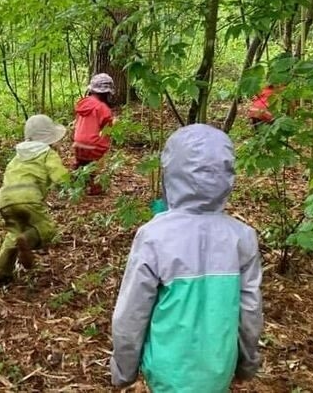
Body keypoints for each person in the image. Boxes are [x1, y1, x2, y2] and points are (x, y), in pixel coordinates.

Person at [110, 124, 263, 392]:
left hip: (167, 374)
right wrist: (247, 364)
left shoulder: (154, 236)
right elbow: (250, 312)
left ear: (172, 173)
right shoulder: (241, 236)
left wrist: (124, 371)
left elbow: (131, 314)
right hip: (219, 372)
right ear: (226, 175)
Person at [0, 114, 69, 287]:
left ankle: (0, 272)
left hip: (5, 199)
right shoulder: (47, 153)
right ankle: (26, 241)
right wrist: (71, 184)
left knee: (14, 233)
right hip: (29, 198)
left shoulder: (17, 157)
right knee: (46, 229)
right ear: (49, 138)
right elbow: (60, 176)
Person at [73, 73, 115, 195]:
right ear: (107, 94)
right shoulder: (102, 108)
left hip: (77, 143)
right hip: (92, 145)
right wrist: (113, 123)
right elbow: (107, 129)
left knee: (82, 161)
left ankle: (76, 178)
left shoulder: (82, 104)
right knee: (98, 161)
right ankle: (96, 187)